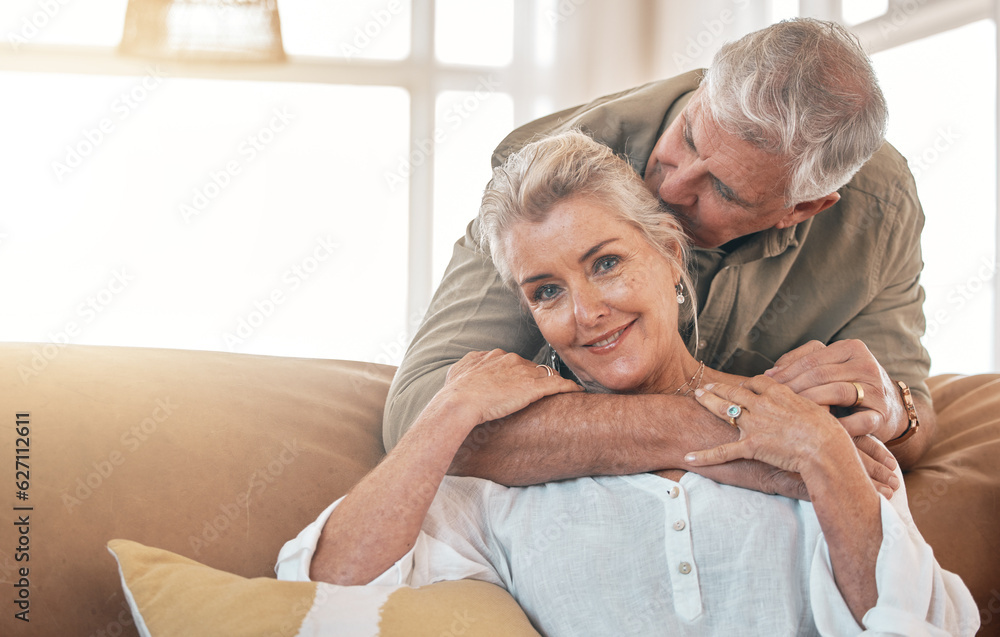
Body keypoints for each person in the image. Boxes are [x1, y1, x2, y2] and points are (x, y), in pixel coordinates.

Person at [277, 131, 978, 636]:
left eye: (606, 263)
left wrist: (826, 459)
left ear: (671, 255)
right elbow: (327, 590)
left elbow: (923, 625)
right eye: (547, 291)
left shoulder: (801, 431)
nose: (587, 312)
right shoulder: (502, 480)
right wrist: (450, 410)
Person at [383, 18, 935, 494]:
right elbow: (420, 418)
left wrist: (890, 410)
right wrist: (738, 431)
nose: (672, 187)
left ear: (804, 207)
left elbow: (912, 420)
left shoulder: (880, 209)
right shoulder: (549, 174)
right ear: (704, 88)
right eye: (689, 136)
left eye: (724, 190)